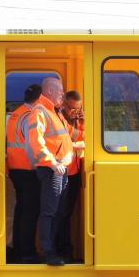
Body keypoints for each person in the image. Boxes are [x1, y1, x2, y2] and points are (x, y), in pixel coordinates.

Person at [27, 76, 73, 266]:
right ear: (51, 92)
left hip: (61, 170)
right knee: (49, 212)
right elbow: (35, 141)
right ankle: (47, 253)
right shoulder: (40, 112)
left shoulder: (53, 112)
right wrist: (52, 162)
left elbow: (65, 138)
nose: (62, 95)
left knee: (58, 211)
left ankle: (53, 250)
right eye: (60, 91)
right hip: (52, 170)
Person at [6, 84, 42, 263]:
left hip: (16, 168)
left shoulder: (17, 113)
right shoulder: (31, 116)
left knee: (21, 211)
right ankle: (27, 253)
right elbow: (35, 144)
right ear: (40, 99)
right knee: (30, 212)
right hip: (29, 170)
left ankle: (19, 249)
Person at [56, 90, 85, 261]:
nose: (75, 112)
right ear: (64, 104)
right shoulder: (58, 118)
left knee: (67, 214)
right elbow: (68, 139)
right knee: (61, 214)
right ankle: (63, 250)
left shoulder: (79, 120)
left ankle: (66, 249)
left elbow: (87, 135)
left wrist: (83, 119)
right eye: (72, 109)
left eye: (78, 109)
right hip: (60, 171)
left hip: (74, 172)